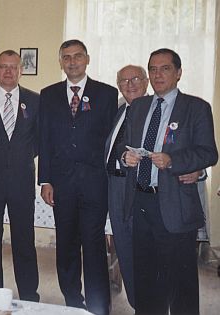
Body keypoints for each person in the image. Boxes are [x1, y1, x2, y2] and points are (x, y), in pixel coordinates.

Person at [120, 48, 218, 315]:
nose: (157, 74)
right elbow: (123, 145)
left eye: (164, 69)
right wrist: (125, 157)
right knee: (146, 277)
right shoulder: (139, 106)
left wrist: (173, 160)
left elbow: (208, 152)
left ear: (178, 73)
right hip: (141, 201)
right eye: (152, 69)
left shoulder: (196, 108)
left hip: (175, 204)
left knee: (180, 281)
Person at [38, 39, 118, 315]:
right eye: (66, 57)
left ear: (87, 59)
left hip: (96, 184)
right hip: (61, 185)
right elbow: (44, 140)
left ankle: (98, 307)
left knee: (94, 246)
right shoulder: (47, 95)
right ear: (60, 62)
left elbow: (112, 140)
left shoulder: (107, 94)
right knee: (66, 244)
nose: (72, 62)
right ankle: (72, 301)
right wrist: (45, 180)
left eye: (77, 56)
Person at [0, 50, 39, 301]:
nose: (8, 71)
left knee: (24, 241)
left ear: (20, 70)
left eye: (13, 67)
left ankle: (28, 294)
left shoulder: (36, 101)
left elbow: (40, 139)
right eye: (3, 66)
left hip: (22, 181)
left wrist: (21, 156)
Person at [104, 65, 149, 307]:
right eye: (124, 80)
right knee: (124, 250)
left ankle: (148, 306)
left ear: (147, 81)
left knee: (142, 255)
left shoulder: (156, 111)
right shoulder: (121, 109)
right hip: (115, 188)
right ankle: (136, 304)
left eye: (135, 79)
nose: (129, 84)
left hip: (139, 192)